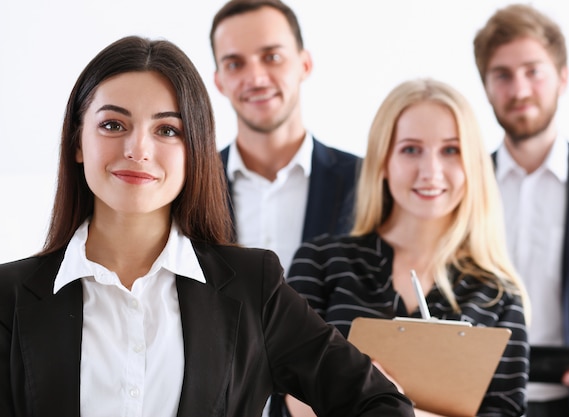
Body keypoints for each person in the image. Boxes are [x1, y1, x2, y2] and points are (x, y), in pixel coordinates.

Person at [0, 35, 415, 417]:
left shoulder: (255, 288)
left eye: (167, 130)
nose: (137, 149)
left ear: (195, 150)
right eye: (113, 125)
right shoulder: (10, 297)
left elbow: (381, 404)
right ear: (77, 142)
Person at [285, 78, 530, 417]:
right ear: (383, 161)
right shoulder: (321, 263)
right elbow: (291, 398)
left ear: (472, 164)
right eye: (411, 149)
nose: (431, 171)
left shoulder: (499, 294)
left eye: (451, 150)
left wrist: (383, 404)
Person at [473, 4, 569, 417]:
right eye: (502, 75)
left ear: (562, 76)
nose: (519, 89)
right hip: (478, 402)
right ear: (486, 86)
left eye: (533, 71)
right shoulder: (464, 185)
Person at [210, 0, 361, 270]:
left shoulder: (365, 180)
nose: (256, 79)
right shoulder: (192, 183)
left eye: (272, 57)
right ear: (219, 81)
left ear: (304, 64)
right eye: (235, 64)